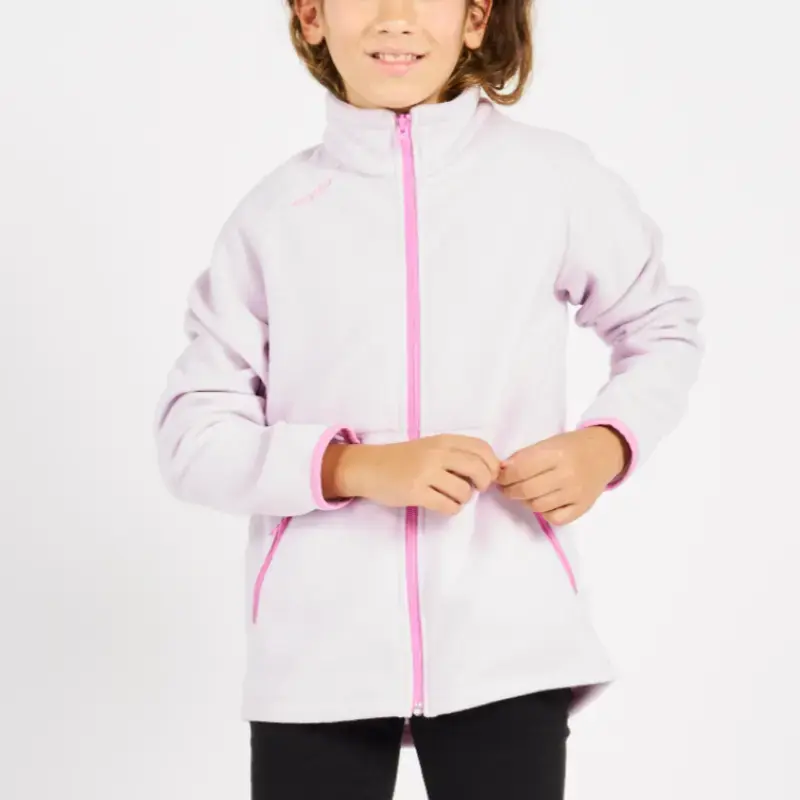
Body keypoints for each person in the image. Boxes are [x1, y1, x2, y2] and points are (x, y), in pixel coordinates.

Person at [153, 0, 704, 797]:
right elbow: (192, 435)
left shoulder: (552, 181)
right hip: (317, 654)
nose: (396, 16)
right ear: (310, 14)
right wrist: (353, 467)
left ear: (476, 18)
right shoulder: (271, 219)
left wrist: (608, 443)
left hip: (507, 640)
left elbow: (662, 327)